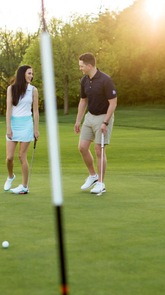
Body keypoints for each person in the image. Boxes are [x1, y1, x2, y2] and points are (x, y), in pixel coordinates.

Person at [74, 53, 117, 194]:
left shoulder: (106, 80)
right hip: (90, 116)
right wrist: (78, 120)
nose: (80, 68)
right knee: (82, 147)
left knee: (99, 150)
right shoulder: (84, 81)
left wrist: (105, 122)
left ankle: (101, 183)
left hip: (104, 116)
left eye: (81, 66)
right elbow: (83, 101)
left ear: (89, 65)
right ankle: (93, 176)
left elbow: (113, 103)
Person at [4, 65, 40, 194]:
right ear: (22, 74)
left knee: (21, 156)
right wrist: (8, 127)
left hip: (26, 124)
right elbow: (8, 109)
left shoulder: (33, 90)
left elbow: (35, 112)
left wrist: (36, 129)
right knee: (9, 157)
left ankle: (24, 186)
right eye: (29, 73)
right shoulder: (11, 89)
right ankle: (10, 176)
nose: (31, 76)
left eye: (32, 73)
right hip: (14, 124)